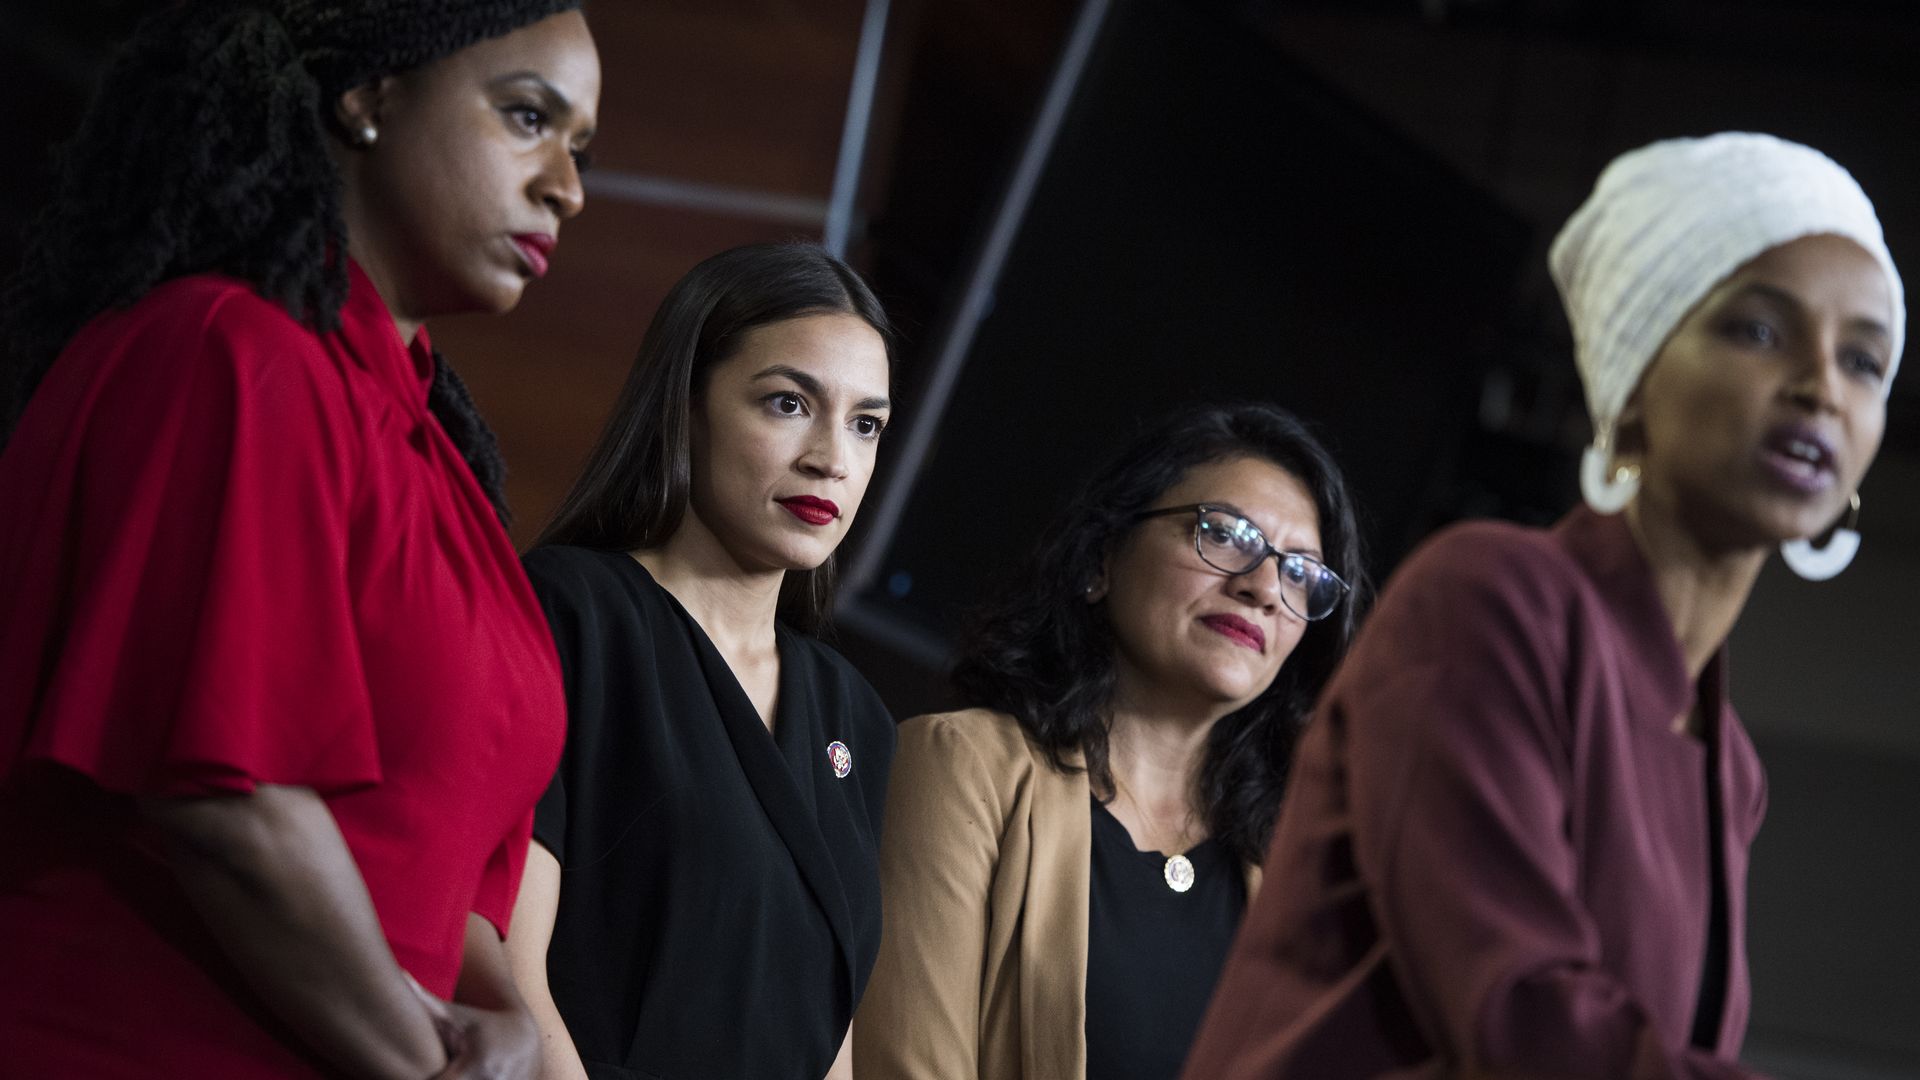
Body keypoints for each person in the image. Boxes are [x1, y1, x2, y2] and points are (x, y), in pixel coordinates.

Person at [1181, 132, 1903, 1079]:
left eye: (1864, 361)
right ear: (1636, 376)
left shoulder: (1732, 766)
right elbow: (1522, 1018)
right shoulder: (1486, 600)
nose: (1821, 388)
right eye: (1759, 331)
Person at [0, 3, 600, 1076]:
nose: (567, 187)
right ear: (370, 97)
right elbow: (223, 802)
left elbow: (452, 864)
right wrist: (422, 1058)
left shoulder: (442, 463)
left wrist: (501, 1009)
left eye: (580, 149)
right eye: (526, 118)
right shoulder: (227, 354)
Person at [852, 402, 1369, 1080]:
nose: (1265, 588)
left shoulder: (1292, 879)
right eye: (1225, 533)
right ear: (1102, 557)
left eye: (1302, 573)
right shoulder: (959, 767)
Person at [503, 242, 898, 1080]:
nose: (833, 456)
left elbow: (828, 1035)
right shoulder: (576, 612)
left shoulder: (852, 713)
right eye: (789, 403)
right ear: (687, 407)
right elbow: (506, 969)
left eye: (866, 424)